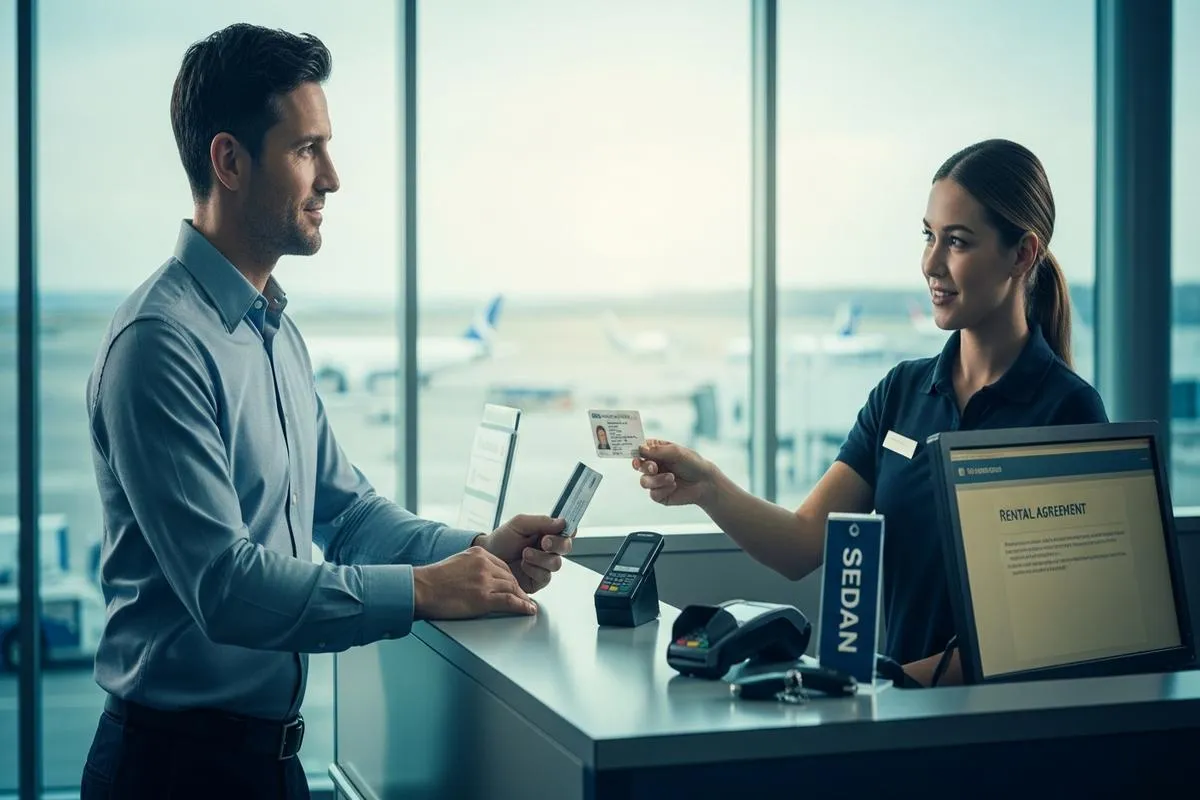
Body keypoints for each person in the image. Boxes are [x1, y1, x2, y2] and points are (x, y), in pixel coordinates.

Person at [80, 24, 571, 799]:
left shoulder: (274, 332)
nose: (333, 177)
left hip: (271, 765)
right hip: (173, 771)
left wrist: (479, 550)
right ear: (230, 161)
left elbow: (348, 516)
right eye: (307, 149)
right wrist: (423, 590)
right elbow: (227, 587)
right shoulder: (160, 343)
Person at [633, 139, 1107, 688]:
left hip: (997, 733)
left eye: (957, 241)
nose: (931, 263)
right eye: (929, 236)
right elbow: (801, 544)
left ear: (1022, 254)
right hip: (895, 719)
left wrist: (888, 683)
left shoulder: (1068, 411)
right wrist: (708, 485)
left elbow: (1055, 631)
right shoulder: (901, 392)